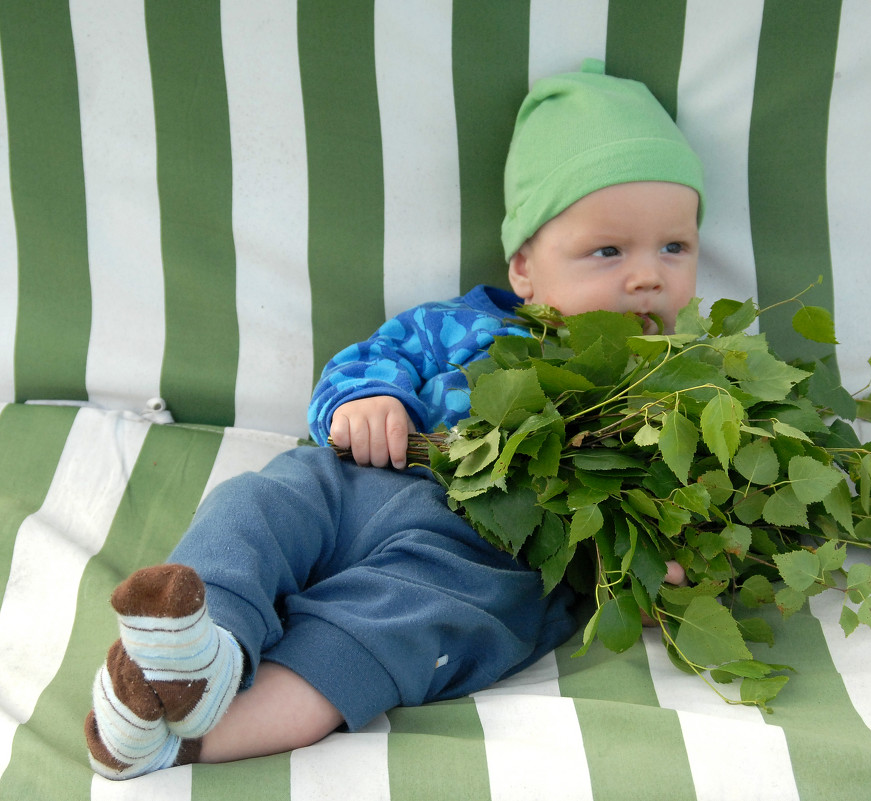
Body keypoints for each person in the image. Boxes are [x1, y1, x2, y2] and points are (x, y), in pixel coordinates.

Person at [84, 58, 704, 780]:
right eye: (608, 250)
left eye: (675, 247)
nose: (647, 275)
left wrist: (659, 563)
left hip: (483, 550)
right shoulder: (460, 325)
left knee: (390, 626)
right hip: (361, 477)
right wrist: (368, 400)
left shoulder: (672, 390)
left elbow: (668, 506)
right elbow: (371, 358)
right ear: (526, 267)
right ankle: (200, 647)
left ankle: (177, 740)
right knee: (258, 504)